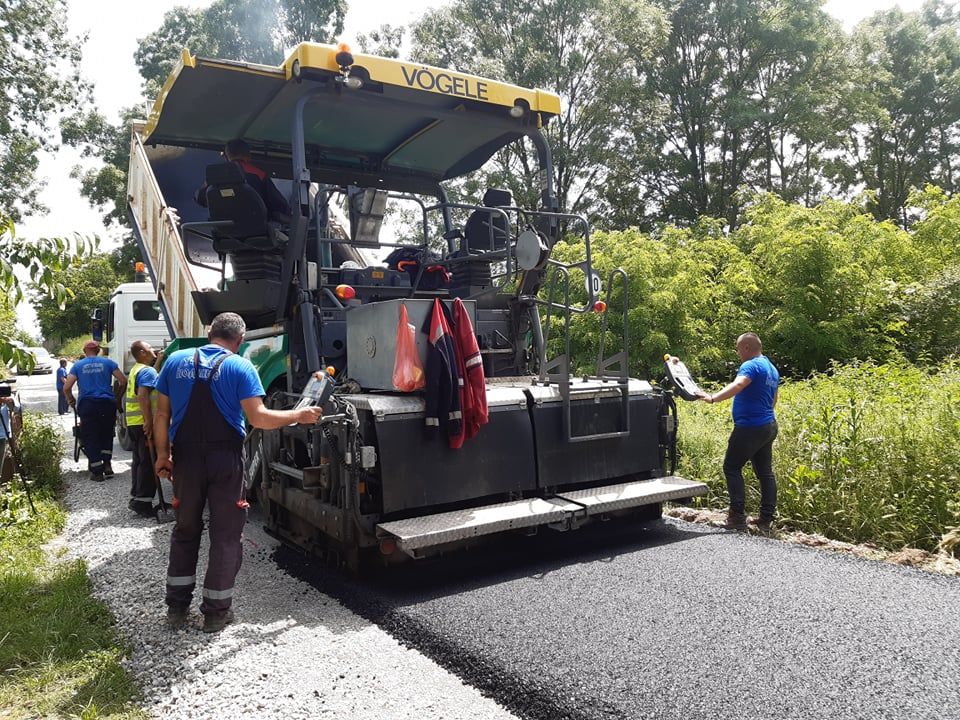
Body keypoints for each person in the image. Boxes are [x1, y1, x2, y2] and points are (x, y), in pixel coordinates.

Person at [153, 312, 322, 633]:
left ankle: (176, 608)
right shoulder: (240, 366)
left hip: (186, 459)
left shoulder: (174, 361)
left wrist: (163, 455)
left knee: (185, 529)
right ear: (240, 340)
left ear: (209, 332)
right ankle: (216, 614)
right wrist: (299, 415)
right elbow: (258, 419)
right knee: (226, 535)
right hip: (225, 460)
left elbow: (162, 413)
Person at [697, 332, 780, 531]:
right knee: (765, 473)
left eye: (738, 349)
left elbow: (739, 384)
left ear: (746, 348)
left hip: (750, 427)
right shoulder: (772, 368)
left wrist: (712, 397)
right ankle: (766, 519)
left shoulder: (751, 365)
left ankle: (736, 518)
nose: (737, 353)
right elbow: (774, 399)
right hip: (768, 425)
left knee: (731, 467)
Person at [62, 341, 126, 481]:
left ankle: (97, 471)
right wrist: (117, 397)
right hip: (106, 403)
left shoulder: (78, 366)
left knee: (90, 435)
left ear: (85, 351)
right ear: (98, 350)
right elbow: (122, 381)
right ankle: (108, 465)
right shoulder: (108, 363)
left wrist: (71, 400)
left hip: (88, 404)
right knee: (107, 433)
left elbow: (66, 387)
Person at [195, 138, 291, 220]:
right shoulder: (259, 175)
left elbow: (200, 198)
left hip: (223, 234)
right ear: (248, 155)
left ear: (226, 156)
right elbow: (280, 206)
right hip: (257, 233)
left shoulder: (215, 176)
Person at [126, 341, 160, 518]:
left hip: (133, 422)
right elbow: (143, 396)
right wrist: (148, 421)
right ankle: (144, 502)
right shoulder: (147, 371)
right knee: (148, 462)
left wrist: (159, 361)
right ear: (142, 352)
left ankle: (137, 497)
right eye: (150, 349)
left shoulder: (137, 368)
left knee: (139, 460)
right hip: (142, 422)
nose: (154, 350)